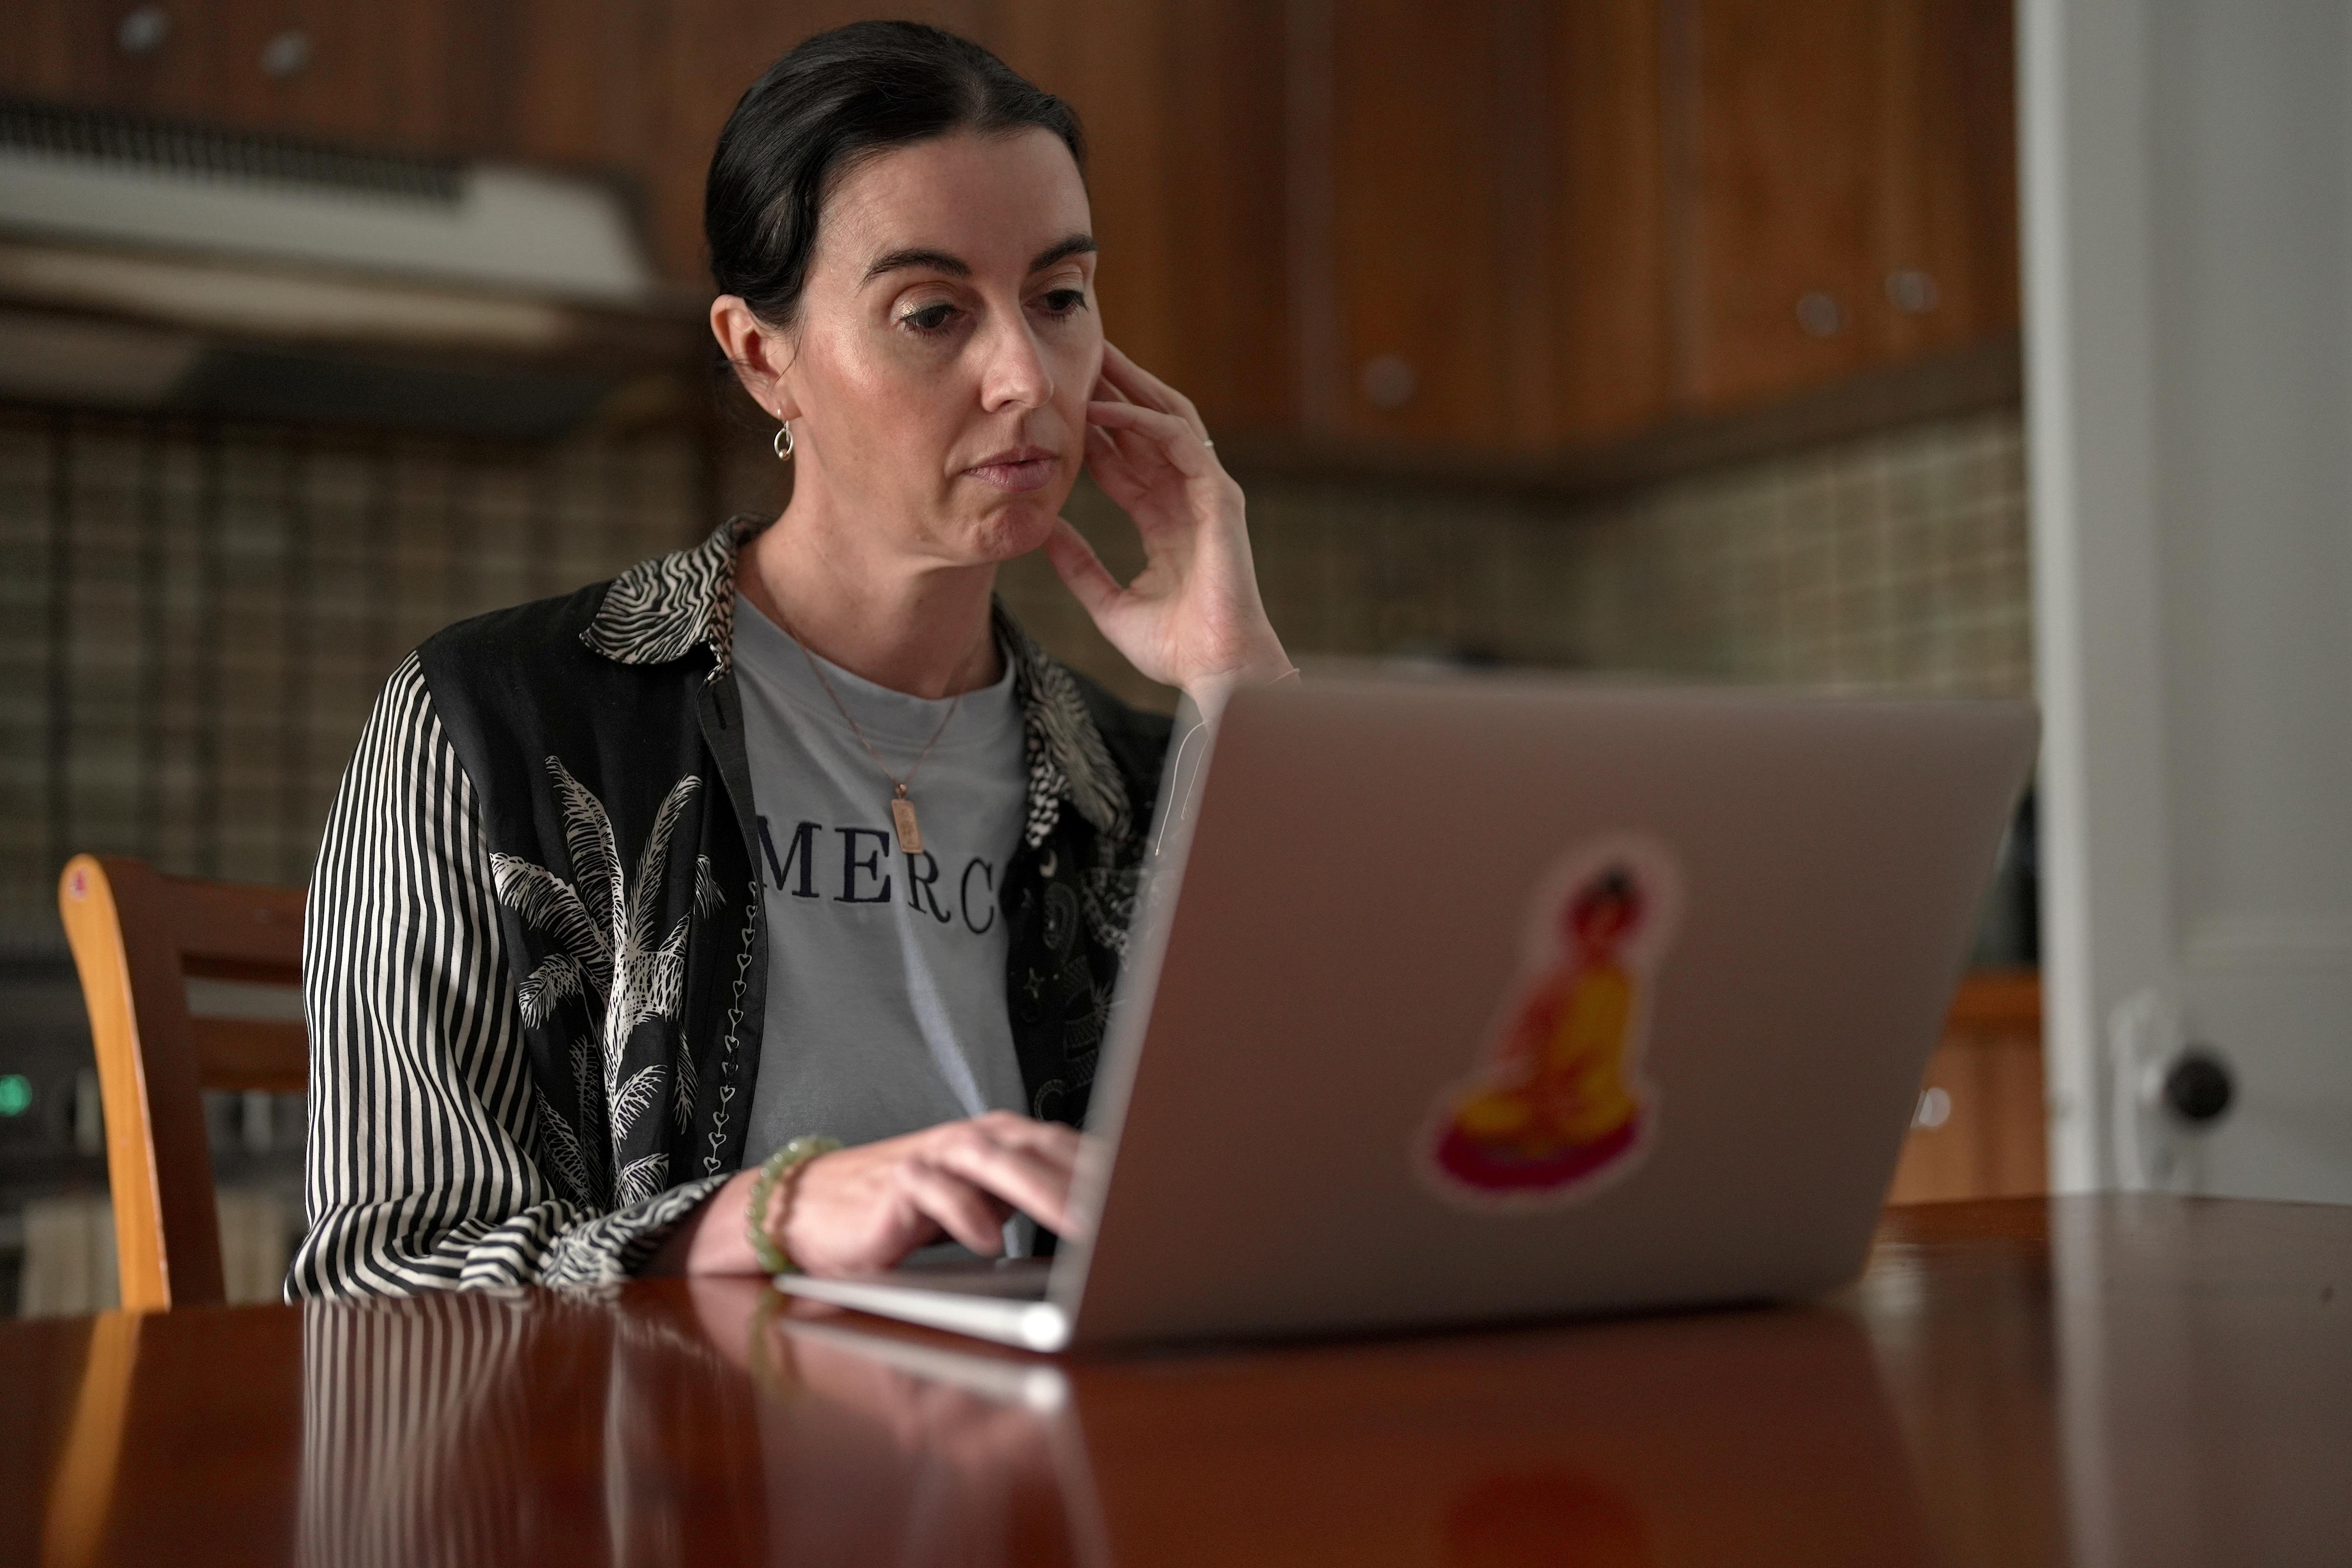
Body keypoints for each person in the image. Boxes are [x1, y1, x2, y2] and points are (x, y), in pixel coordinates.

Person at [288, 21, 1291, 1297]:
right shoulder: (492, 724)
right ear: (767, 359)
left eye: (1060, 297)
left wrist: (1238, 677)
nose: (1025, 375)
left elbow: (1363, 1185)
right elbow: (385, 1275)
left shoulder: (1147, 780)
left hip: (1062, 1470)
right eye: (934, 312)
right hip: (665, 1478)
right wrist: (766, 1215)